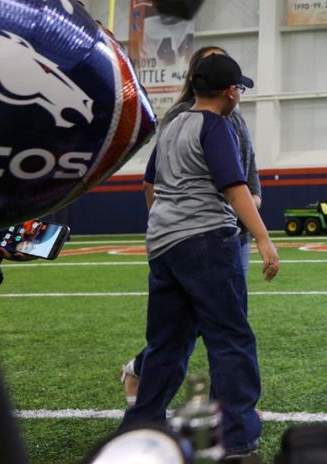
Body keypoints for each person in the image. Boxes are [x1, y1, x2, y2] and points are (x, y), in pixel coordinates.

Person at [118, 53, 279, 461]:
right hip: (208, 241)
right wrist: (263, 237)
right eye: (239, 88)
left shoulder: (172, 126)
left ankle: (140, 428)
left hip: (165, 246)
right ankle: (237, 437)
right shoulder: (216, 125)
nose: (239, 94)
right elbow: (234, 186)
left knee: (167, 344)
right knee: (230, 340)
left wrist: (163, 223)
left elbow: (149, 183)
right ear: (230, 92)